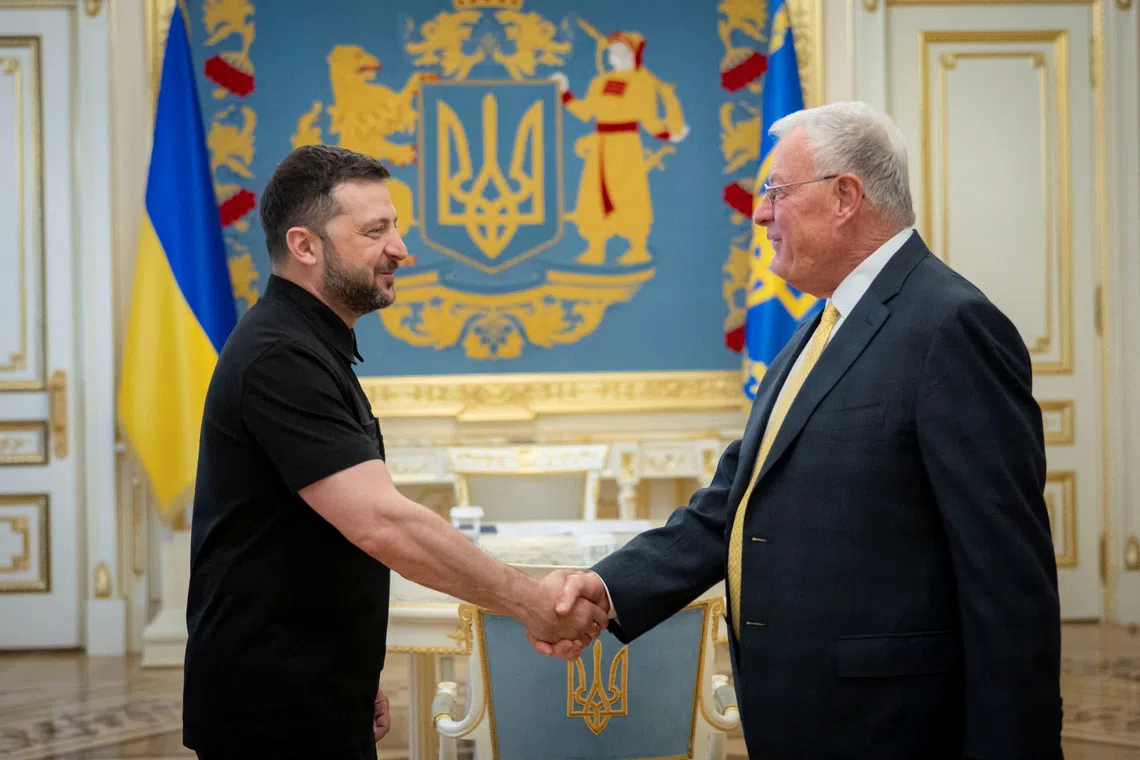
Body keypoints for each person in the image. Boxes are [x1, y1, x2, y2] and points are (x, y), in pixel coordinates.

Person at [534, 101, 1063, 759]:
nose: (759, 214)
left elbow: (1007, 576)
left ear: (846, 196)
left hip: (893, 726)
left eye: (776, 192)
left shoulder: (951, 327)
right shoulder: (817, 331)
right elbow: (731, 506)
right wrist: (610, 587)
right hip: (799, 714)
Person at [182, 144, 607, 760]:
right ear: (305, 246)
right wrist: (530, 602)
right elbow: (383, 523)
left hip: (307, 690)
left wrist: (351, 670)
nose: (401, 249)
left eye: (396, 227)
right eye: (375, 230)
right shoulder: (281, 357)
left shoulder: (306, 342)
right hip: (271, 710)